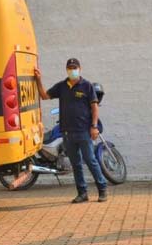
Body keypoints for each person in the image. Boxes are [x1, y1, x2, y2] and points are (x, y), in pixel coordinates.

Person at [34, 58, 108, 203]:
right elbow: (44, 96)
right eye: (70, 68)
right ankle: (82, 193)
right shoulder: (62, 86)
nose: (72, 70)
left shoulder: (86, 86)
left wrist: (94, 127)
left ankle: (102, 189)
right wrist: (38, 80)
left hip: (84, 132)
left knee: (91, 160)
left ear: (80, 69)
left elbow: (94, 107)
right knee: (76, 164)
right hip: (67, 132)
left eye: (75, 67)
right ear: (66, 70)